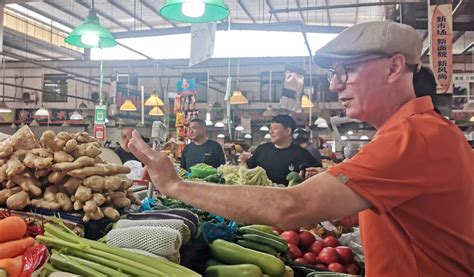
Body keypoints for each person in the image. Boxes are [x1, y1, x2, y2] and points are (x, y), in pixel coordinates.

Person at [129, 21, 473, 276]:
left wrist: (174, 184)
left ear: (395, 67)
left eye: (346, 70)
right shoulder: (423, 131)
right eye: (332, 74)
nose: (336, 85)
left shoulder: (412, 137)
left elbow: (291, 207)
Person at [242, 114, 320, 185]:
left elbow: (319, 173)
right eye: (270, 128)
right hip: (262, 198)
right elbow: (247, 170)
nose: (270, 132)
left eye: (275, 128)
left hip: (290, 199)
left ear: (288, 131)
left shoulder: (302, 154)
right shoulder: (261, 150)